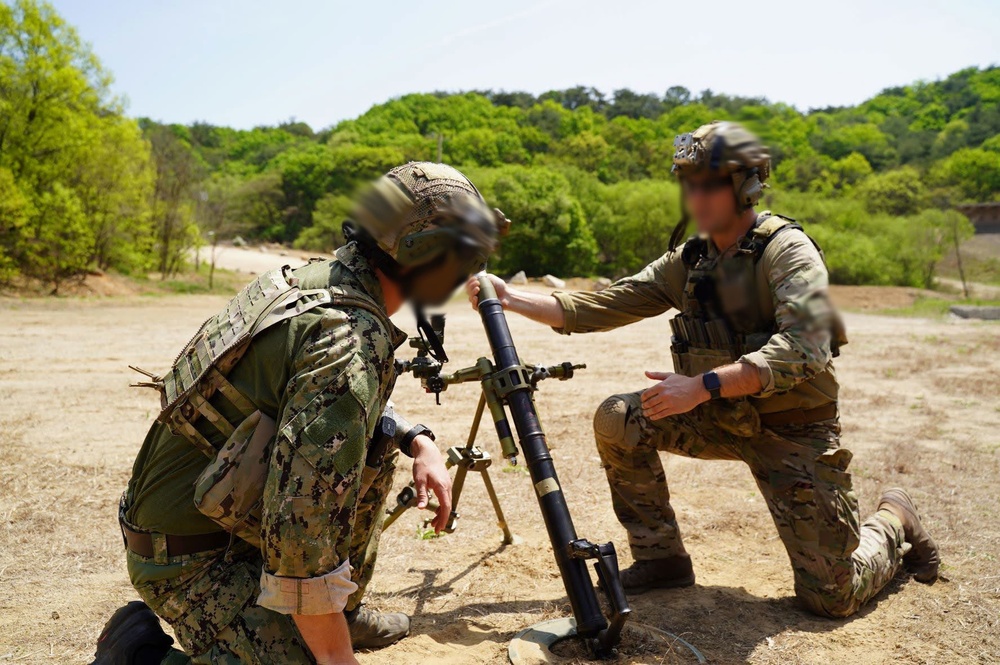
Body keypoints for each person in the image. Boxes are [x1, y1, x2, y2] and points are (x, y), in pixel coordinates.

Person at [466, 122, 939, 619]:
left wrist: (703, 385)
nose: (695, 195)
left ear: (745, 186)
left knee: (833, 597)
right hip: (717, 416)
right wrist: (511, 297)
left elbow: (807, 344)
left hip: (790, 430)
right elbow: (605, 303)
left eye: (708, 183)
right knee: (620, 417)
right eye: (688, 184)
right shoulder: (691, 260)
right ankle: (661, 558)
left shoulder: (786, 250)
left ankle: (894, 520)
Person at [93, 162, 508, 664]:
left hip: (213, 519)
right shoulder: (350, 335)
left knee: (373, 442)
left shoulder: (321, 281)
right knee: (318, 651)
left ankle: (338, 614)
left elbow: (328, 406)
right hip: (191, 557)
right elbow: (300, 533)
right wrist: (336, 659)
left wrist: (419, 439)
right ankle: (139, 654)